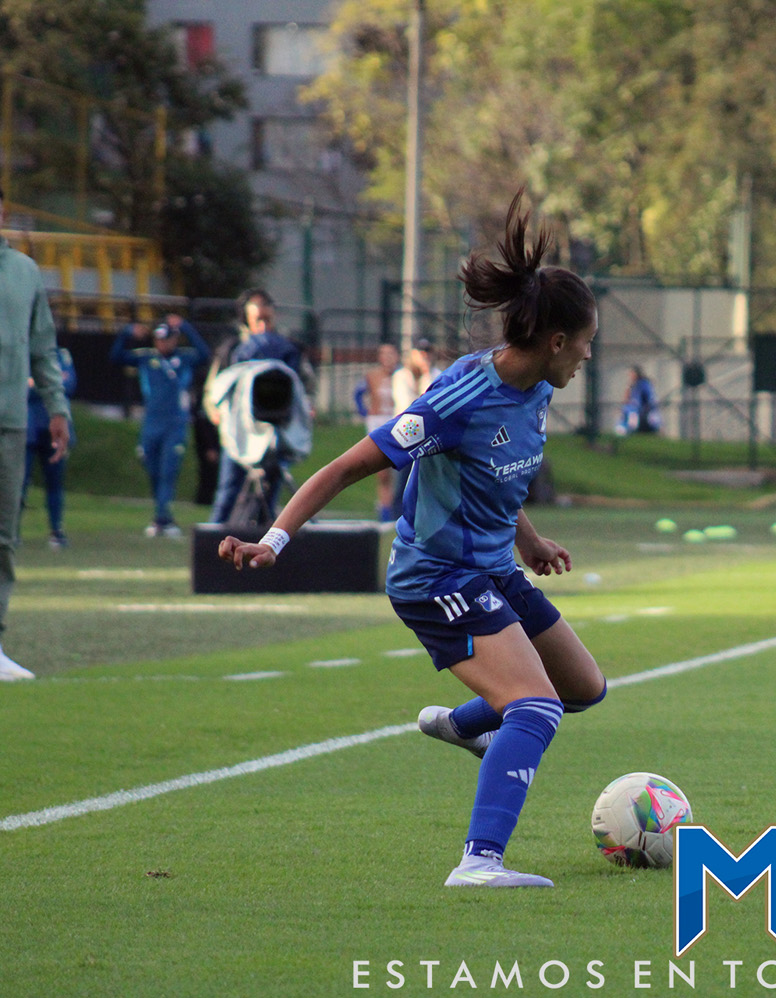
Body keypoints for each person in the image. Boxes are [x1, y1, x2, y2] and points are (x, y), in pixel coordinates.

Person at [218, 190, 606, 887]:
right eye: (584, 342)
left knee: (582, 687)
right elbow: (345, 467)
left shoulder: (538, 387)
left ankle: (465, 726)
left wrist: (528, 539)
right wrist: (272, 541)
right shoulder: (458, 397)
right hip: (436, 577)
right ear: (555, 341)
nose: (585, 355)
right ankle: (479, 862)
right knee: (536, 705)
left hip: (492, 567)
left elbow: (495, 474)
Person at [0, 189, 72, 680]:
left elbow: (44, 349)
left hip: (10, 420)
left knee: (4, 536)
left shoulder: (24, 271)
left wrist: (57, 408)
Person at [208, 290, 309, 524]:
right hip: (240, 431)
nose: (263, 325)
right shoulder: (233, 348)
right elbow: (215, 386)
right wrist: (216, 411)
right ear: (247, 318)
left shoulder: (288, 349)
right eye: (258, 319)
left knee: (269, 494)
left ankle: (263, 540)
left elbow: (304, 384)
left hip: (276, 431)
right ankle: (213, 538)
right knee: (228, 491)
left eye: (267, 319)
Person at [111, 314, 212, 536]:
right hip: (151, 423)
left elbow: (205, 354)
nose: (163, 343)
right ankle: (164, 516)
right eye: (159, 339)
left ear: (175, 339)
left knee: (168, 470)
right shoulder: (146, 358)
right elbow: (116, 356)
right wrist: (127, 332)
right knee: (152, 468)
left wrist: (186, 327)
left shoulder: (185, 358)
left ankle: (161, 518)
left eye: (167, 339)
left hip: (175, 424)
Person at [22, 345, 76, 549]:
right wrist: (49, 386)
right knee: (20, 482)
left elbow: (69, 384)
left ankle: (56, 530)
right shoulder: (22, 352)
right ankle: (12, 531)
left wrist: (36, 384)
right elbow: (18, 388)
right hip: (28, 426)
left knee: (55, 481)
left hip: (53, 427)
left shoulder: (61, 354)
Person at [354, 343, 401, 520]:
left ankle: (399, 509)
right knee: (383, 472)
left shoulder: (402, 375)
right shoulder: (373, 376)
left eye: (391, 354)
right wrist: (366, 413)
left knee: (401, 469)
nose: (388, 358)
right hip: (378, 421)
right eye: (384, 354)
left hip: (397, 420)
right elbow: (358, 394)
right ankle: (385, 513)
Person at [389, 338, 435, 505]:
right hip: (406, 432)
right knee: (401, 481)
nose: (424, 356)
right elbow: (407, 406)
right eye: (421, 353)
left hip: (429, 435)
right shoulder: (401, 376)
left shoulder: (436, 375)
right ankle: (396, 512)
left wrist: (426, 373)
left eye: (427, 352)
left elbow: (433, 403)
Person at [616, 365, 660, 434]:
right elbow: (627, 398)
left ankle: (633, 429)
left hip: (643, 409)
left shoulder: (643, 384)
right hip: (633, 408)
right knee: (627, 411)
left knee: (652, 418)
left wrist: (646, 406)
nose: (631, 376)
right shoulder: (632, 385)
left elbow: (649, 398)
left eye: (632, 374)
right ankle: (624, 429)